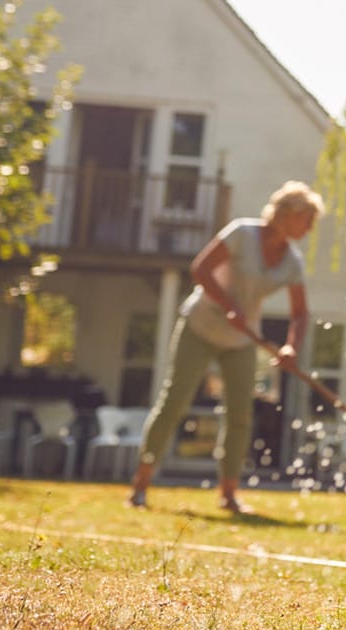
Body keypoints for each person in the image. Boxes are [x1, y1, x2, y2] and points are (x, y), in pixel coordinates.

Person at [128, 180, 324, 514]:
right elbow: (200, 269)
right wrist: (228, 304)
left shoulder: (292, 261)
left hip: (241, 338)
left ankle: (229, 494)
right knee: (175, 402)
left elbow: (300, 313)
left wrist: (291, 348)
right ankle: (141, 485)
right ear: (288, 213)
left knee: (240, 415)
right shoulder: (241, 234)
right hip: (201, 326)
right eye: (307, 219)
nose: (310, 227)